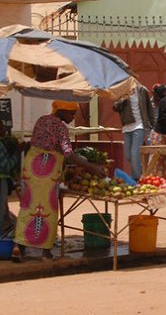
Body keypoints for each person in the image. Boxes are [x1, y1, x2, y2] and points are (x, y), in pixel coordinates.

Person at [15, 101, 106, 260]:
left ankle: (18, 248)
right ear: (62, 111)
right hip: (47, 170)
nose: (72, 117)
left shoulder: (42, 120)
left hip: (31, 167)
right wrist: (91, 167)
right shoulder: (60, 127)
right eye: (71, 114)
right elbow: (68, 153)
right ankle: (45, 252)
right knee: (46, 211)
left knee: (28, 208)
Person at [113, 86, 154, 180]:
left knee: (135, 153)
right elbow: (115, 107)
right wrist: (123, 98)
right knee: (128, 155)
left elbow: (149, 108)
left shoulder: (142, 90)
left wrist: (152, 126)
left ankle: (137, 178)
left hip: (139, 126)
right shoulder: (121, 91)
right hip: (127, 127)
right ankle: (142, 172)